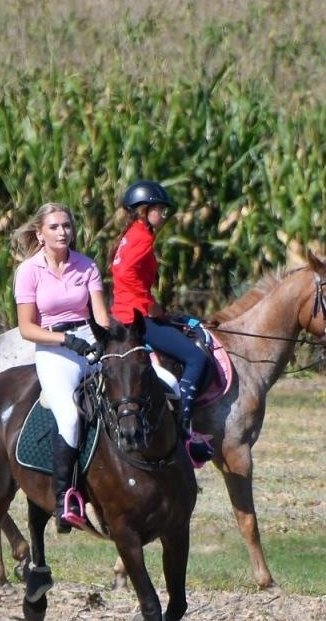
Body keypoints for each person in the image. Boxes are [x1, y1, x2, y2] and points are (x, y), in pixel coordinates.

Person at [13, 201, 111, 531]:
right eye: (54, 227)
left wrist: (103, 341)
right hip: (54, 350)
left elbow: (100, 315)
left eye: (67, 226)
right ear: (40, 234)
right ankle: (64, 498)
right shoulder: (29, 271)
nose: (62, 232)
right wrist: (65, 341)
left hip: (89, 342)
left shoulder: (87, 266)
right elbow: (27, 328)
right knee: (69, 417)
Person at [108, 180, 214, 464]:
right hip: (136, 316)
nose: (164, 215)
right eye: (159, 209)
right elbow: (127, 275)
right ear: (143, 211)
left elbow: (121, 272)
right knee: (196, 357)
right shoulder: (142, 238)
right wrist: (148, 306)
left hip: (124, 312)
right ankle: (185, 425)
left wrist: (154, 306)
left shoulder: (132, 234)